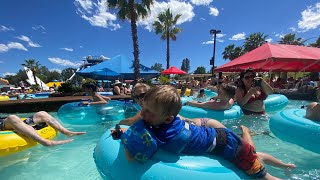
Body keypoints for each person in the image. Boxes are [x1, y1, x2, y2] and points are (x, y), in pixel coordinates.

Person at [116, 85, 295, 179]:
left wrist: (127, 138)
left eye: (148, 112)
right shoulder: (164, 120)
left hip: (230, 146)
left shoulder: (167, 135)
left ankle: (280, 165)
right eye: (143, 109)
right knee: (254, 153)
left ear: (168, 119)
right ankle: (284, 165)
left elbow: (132, 157)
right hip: (215, 134)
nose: (142, 115)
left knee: (263, 176)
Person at [0, 111, 85, 146]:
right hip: (3, 125)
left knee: (42, 114)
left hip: (3, 121)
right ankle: (46, 142)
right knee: (12, 118)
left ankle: (66, 132)